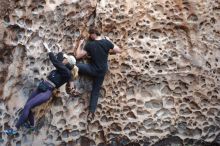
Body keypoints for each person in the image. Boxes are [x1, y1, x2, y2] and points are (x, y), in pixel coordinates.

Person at [4, 43, 78, 135]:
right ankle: (32, 126)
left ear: (67, 62)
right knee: (28, 106)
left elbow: (55, 62)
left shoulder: (67, 72)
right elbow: (58, 59)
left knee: (27, 106)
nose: (63, 59)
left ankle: (14, 129)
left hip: (47, 92)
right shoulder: (62, 66)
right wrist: (59, 50)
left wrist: (49, 50)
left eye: (65, 59)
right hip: (42, 86)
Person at [75, 28, 121, 122]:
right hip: (102, 72)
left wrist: (79, 44)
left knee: (74, 66)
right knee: (95, 92)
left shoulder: (90, 45)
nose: (89, 36)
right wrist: (109, 40)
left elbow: (77, 55)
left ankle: (70, 84)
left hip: (92, 69)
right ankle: (91, 114)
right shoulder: (106, 43)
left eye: (90, 34)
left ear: (93, 34)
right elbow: (118, 50)